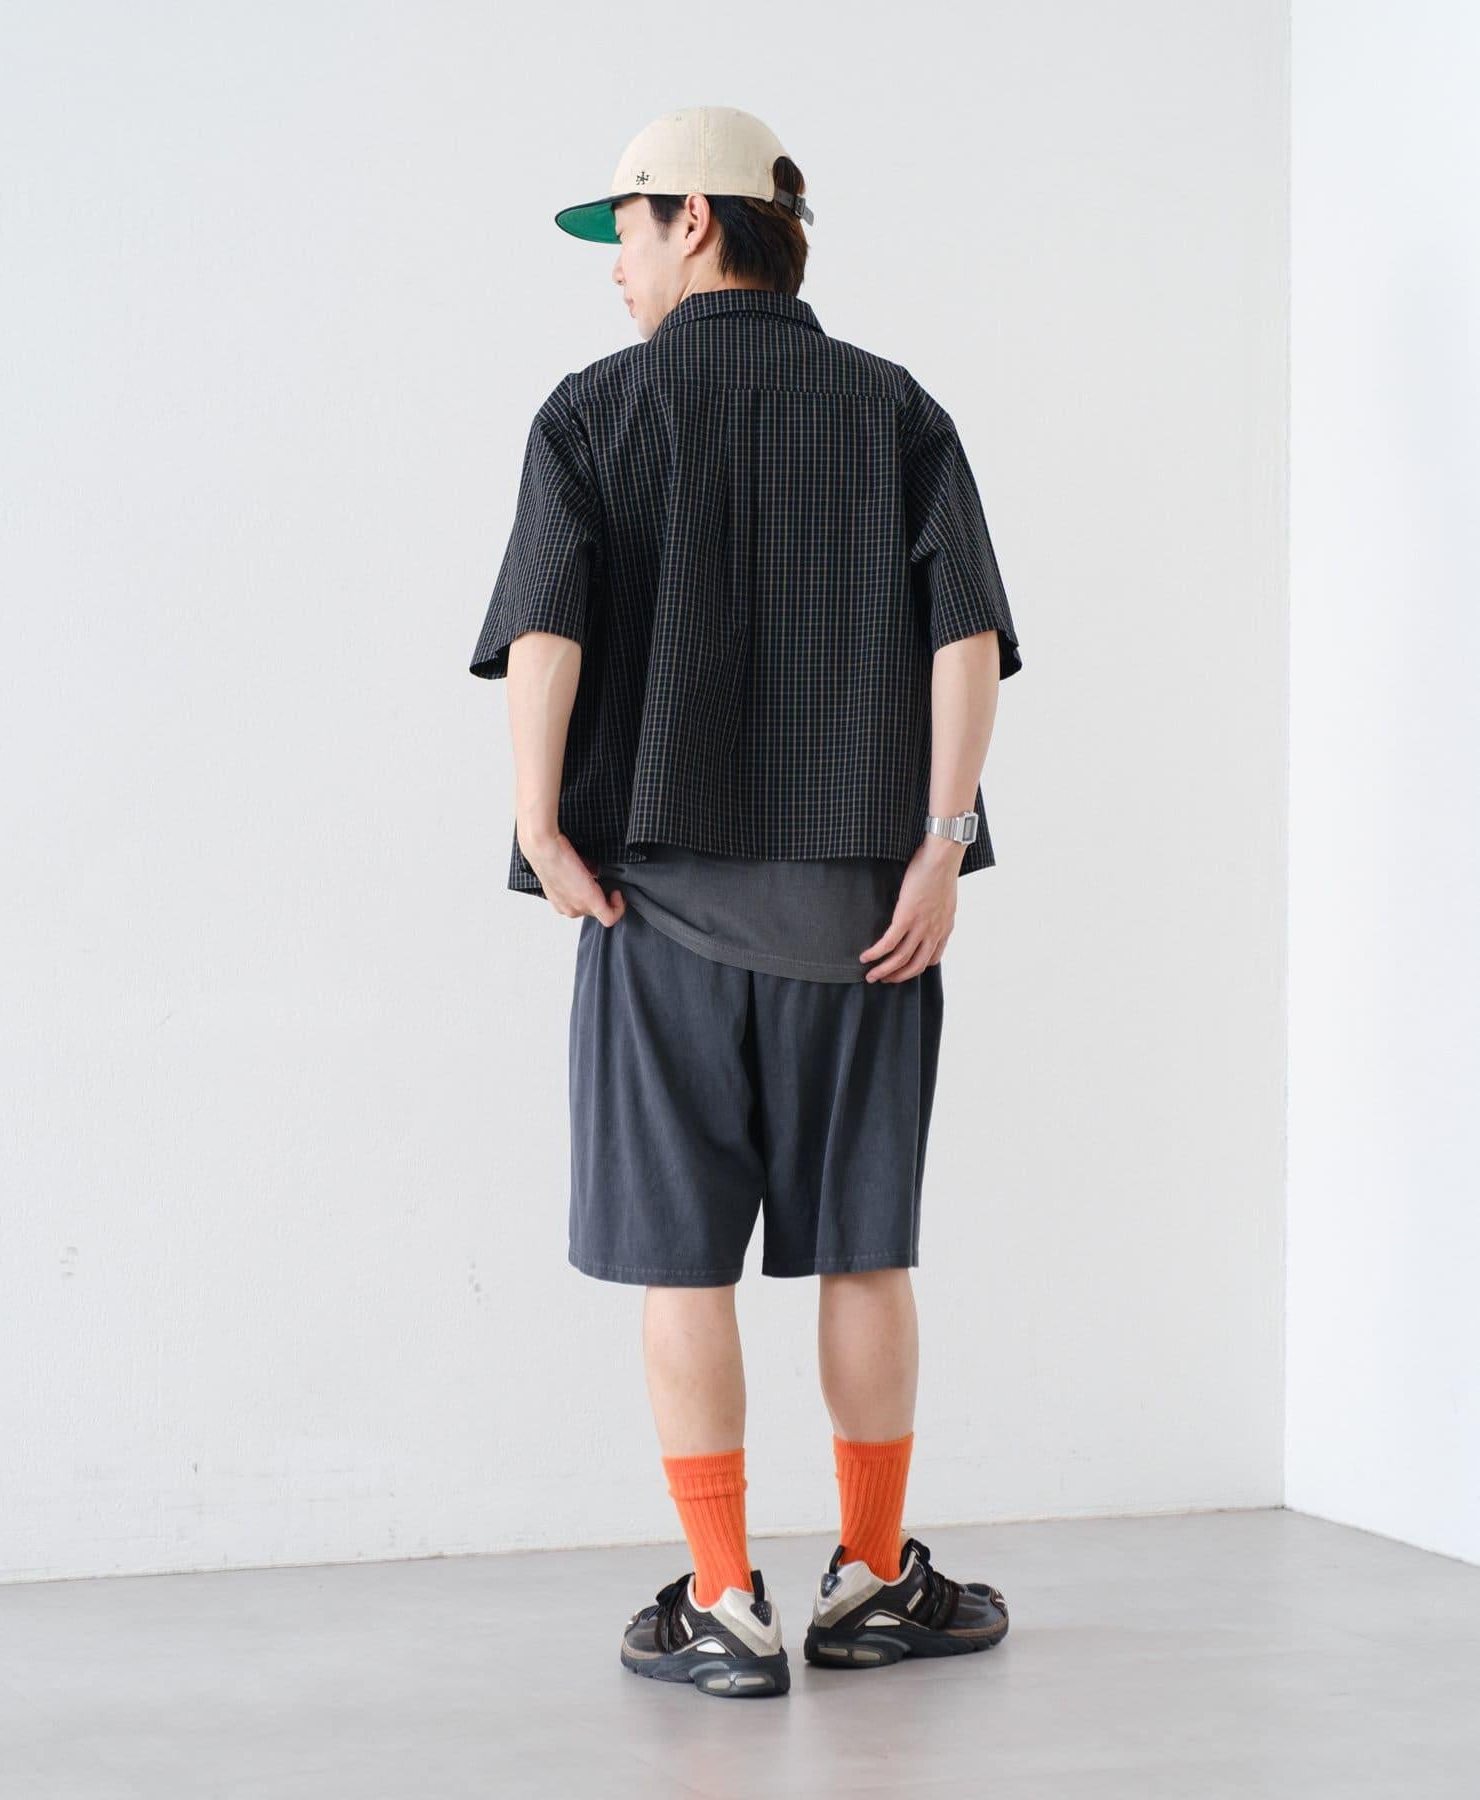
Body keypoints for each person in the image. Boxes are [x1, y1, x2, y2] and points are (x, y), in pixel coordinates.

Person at [468, 105, 1019, 1700]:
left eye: (624, 233)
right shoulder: (893, 407)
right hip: (867, 920)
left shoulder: (594, 413)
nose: (613, 270)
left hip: (659, 917)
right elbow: (966, 639)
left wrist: (538, 824)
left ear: (694, 220)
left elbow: (547, 635)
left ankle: (724, 1603)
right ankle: (872, 1581)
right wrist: (939, 846)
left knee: (682, 1267)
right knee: (864, 1255)